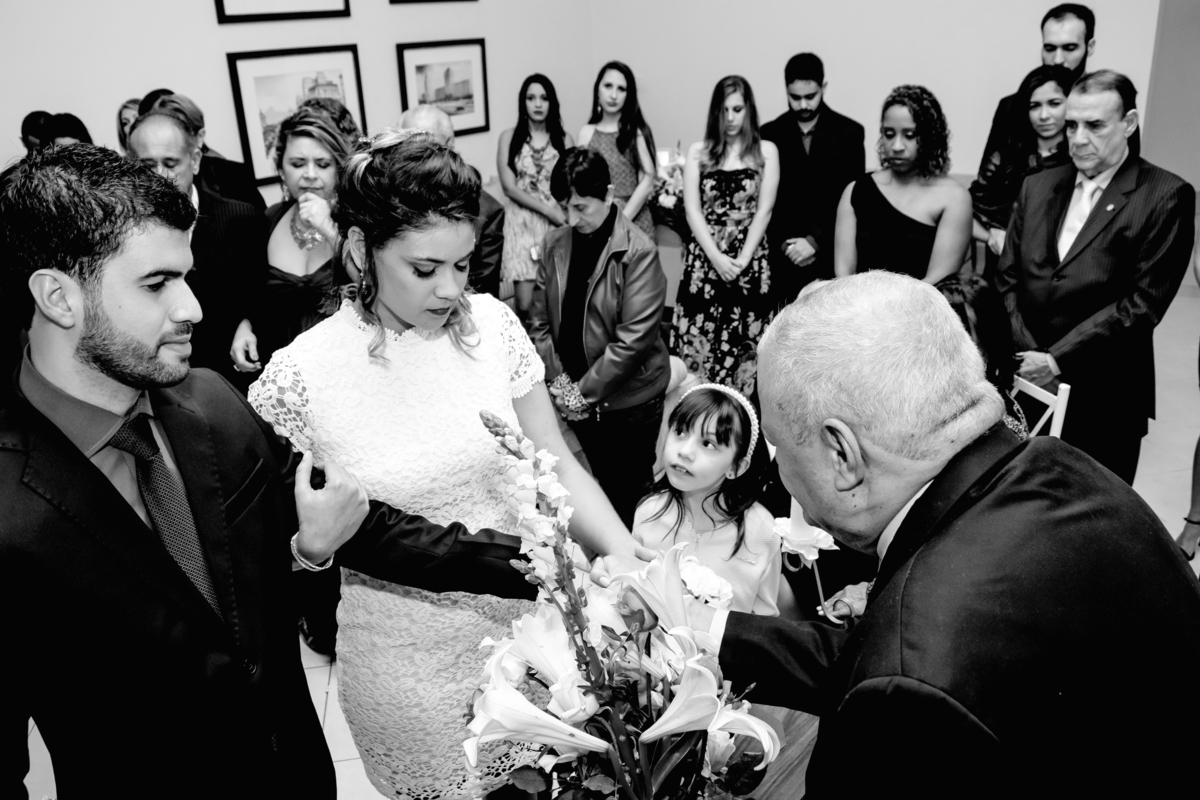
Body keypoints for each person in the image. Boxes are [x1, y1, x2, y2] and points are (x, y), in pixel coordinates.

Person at [0, 144, 542, 798]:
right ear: (57, 295)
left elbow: (359, 525)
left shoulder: (210, 404)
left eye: (187, 276)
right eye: (156, 284)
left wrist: (547, 566)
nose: (193, 309)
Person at [618, 270, 1200, 797]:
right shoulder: (1060, 467)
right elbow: (880, 649)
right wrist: (695, 619)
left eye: (776, 445)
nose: (778, 474)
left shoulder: (909, 689)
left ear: (842, 454)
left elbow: (905, 667)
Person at [248, 130, 648, 800]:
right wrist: (309, 549)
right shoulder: (302, 376)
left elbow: (556, 465)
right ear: (359, 250)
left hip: (534, 639)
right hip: (406, 671)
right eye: (425, 268)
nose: (449, 289)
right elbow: (280, 551)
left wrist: (626, 555)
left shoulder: (493, 328)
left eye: (462, 265)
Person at [994, 70, 1195, 484]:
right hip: (1026, 385)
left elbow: (1142, 305)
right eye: (1072, 125)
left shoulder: (1165, 194)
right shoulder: (1037, 185)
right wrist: (1029, 355)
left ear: (1130, 123)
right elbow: (1008, 279)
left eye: (1095, 125)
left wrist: (1055, 360)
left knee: (1094, 520)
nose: (1079, 138)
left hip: (1106, 396)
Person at [529, 148, 669, 527]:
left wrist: (581, 393)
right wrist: (559, 382)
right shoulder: (555, 244)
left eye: (581, 207)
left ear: (608, 195)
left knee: (628, 497)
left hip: (628, 402)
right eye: (565, 207)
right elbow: (538, 322)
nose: (572, 219)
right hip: (570, 391)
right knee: (584, 492)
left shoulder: (639, 252)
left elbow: (632, 342)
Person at [127, 110, 262, 387]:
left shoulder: (241, 219)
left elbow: (264, 295)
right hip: (160, 388)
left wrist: (247, 323)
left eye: (171, 162)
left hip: (233, 384)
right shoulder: (124, 233)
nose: (160, 176)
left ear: (195, 160)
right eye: (148, 165)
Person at [671, 75, 779, 397]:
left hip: (750, 259)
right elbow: (693, 211)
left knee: (746, 343)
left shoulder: (766, 151)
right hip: (704, 260)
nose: (730, 118)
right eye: (723, 110)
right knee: (698, 342)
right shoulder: (698, 152)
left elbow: (765, 210)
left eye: (737, 109)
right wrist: (717, 258)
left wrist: (743, 258)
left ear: (749, 111)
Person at [634, 384, 779, 614]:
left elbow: (764, 624)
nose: (684, 451)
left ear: (736, 466)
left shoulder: (762, 532)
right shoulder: (649, 513)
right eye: (680, 432)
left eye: (708, 444)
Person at [230, 108, 350, 382]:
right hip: (282, 377)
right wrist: (244, 326)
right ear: (281, 170)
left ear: (339, 168)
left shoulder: (356, 222)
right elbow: (253, 294)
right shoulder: (270, 219)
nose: (309, 174)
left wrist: (331, 230)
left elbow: (378, 283)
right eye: (297, 164)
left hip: (344, 375)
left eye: (322, 164)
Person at [834, 85, 971, 283]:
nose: (897, 146)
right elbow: (843, 274)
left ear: (930, 137)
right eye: (889, 134)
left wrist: (892, 313)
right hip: (859, 308)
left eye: (909, 135)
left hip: (919, 309)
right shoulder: (856, 191)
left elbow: (937, 280)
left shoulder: (954, 198)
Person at [760, 53, 865, 304]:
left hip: (830, 254)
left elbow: (851, 198)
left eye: (811, 96)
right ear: (786, 90)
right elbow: (767, 201)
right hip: (782, 257)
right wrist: (787, 245)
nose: (803, 105)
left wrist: (814, 242)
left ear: (823, 88)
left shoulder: (849, 133)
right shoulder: (768, 133)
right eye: (795, 98)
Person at [970, 65, 1074, 274]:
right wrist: (992, 234)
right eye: (1034, 106)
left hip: (1054, 273)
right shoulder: (1007, 154)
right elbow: (968, 207)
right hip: (1000, 270)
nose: (1043, 115)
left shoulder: (1078, 160)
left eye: (1054, 104)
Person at [400, 103, 506, 298]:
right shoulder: (391, 201)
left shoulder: (488, 212)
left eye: (422, 145)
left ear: (449, 144)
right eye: (406, 145)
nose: (411, 157)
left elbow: (482, 296)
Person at [980, 4, 1096, 181]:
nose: (1057, 60)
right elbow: (987, 179)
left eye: (1069, 48)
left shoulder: (1109, 104)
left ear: (1090, 47)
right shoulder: (1010, 106)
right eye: (1049, 48)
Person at [498, 73, 573, 322]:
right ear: (523, 102)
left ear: (552, 103)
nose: (538, 104)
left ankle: (554, 358)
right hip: (521, 228)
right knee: (525, 305)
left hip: (556, 229)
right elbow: (509, 187)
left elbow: (571, 186)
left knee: (559, 301)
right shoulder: (509, 138)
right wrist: (548, 210)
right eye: (531, 98)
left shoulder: (565, 139)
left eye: (544, 98)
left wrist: (559, 214)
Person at [142, 89, 265, 211]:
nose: (171, 139)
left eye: (182, 131)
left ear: (199, 137)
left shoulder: (233, 175)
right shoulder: (142, 178)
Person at [578, 61, 657, 240]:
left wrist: (619, 222)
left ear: (629, 95)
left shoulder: (636, 132)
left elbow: (648, 180)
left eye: (621, 89)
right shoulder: (586, 133)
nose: (613, 95)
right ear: (597, 90)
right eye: (608, 86)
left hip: (635, 222)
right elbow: (581, 183)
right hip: (597, 221)